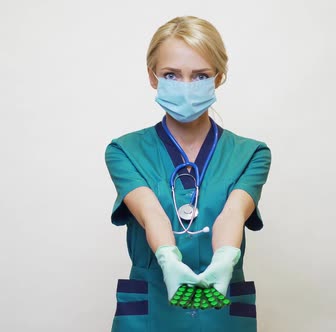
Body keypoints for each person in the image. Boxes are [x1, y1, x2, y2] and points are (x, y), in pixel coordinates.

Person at [104, 15, 272, 332]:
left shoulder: (251, 154)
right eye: (171, 74)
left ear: (218, 77)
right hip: (151, 315)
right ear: (152, 77)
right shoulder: (124, 151)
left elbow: (234, 213)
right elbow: (150, 212)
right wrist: (168, 258)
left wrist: (224, 258)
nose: (185, 86)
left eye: (199, 76)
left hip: (219, 315)